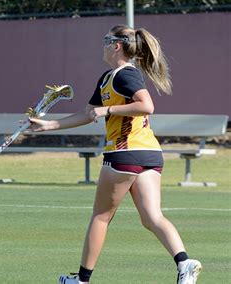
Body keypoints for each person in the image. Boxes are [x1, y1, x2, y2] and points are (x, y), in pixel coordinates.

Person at [28, 25, 202, 284]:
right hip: (149, 155)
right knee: (151, 217)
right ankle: (184, 263)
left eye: (106, 41)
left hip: (124, 154)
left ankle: (82, 280)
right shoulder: (107, 78)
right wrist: (49, 125)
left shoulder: (125, 75)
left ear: (116, 45)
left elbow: (146, 105)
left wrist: (108, 111)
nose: (103, 45)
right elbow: (87, 114)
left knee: (101, 216)